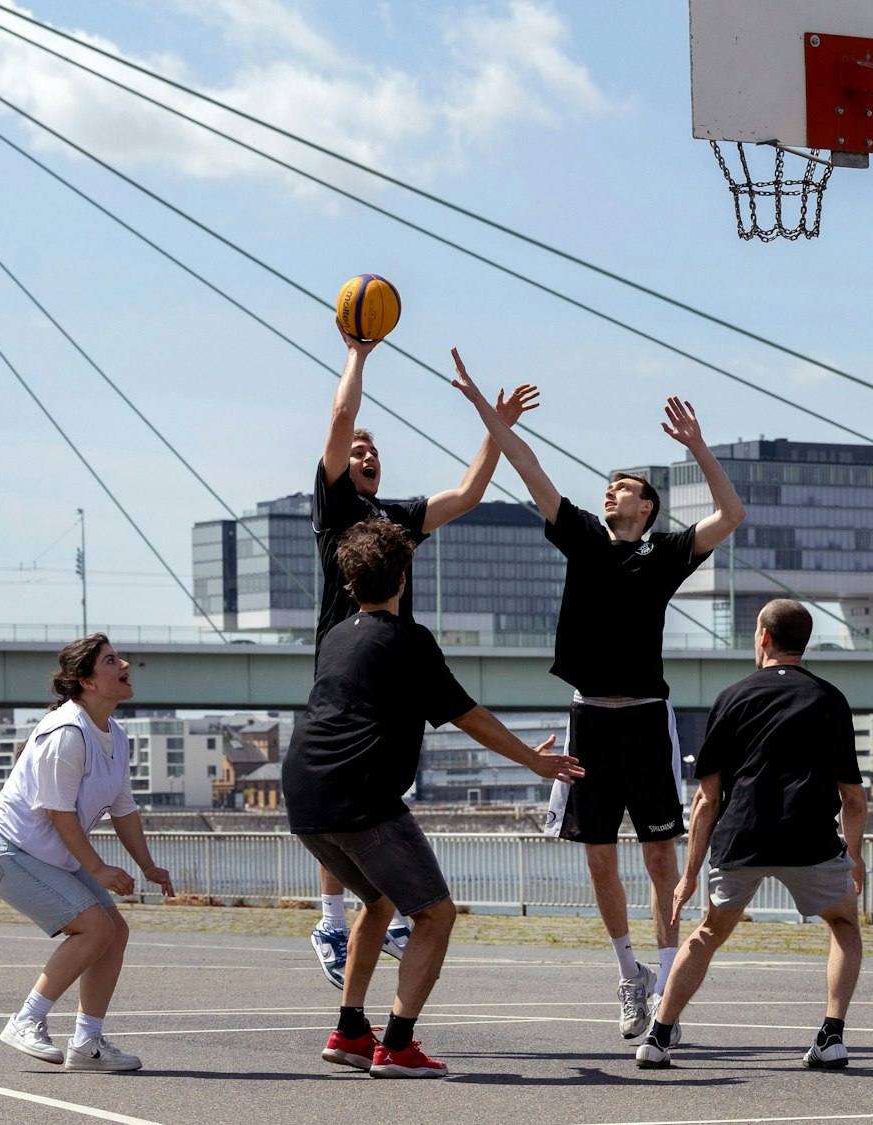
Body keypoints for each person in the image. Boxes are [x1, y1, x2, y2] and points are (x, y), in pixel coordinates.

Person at [450, 349, 745, 1039]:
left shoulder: (667, 552)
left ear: (647, 504)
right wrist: (488, 412)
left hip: (645, 716)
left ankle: (669, 980)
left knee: (659, 854)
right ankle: (628, 974)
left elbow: (731, 512)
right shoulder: (583, 538)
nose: (612, 491)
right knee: (599, 857)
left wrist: (697, 446)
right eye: (608, 485)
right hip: (590, 716)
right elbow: (528, 467)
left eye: (625, 486)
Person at [284, 520, 585, 1078]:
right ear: (403, 577)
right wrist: (535, 761)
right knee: (436, 915)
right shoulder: (408, 640)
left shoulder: (335, 637)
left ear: (350, 584)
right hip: (362, 798)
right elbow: (465, 714)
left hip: (305, 797)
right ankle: (397, 1046)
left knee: (377, 903)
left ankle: (350, 1031)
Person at [307, 333, 539, 990]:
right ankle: (329, 918)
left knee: (378, 790)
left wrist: (498, 428)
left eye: (374, 450)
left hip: (393, 670)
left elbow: (466, 493)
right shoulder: (335, 507)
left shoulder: (400, 514)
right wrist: (358, 353)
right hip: (345, 664)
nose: (367, 453)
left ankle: (376, 911)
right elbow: (340, 419)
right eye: (357, 451)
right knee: (345, 789)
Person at [635, 600, 867, 1070]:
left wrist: (689, 875)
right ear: (803, 642)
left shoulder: (732, 697)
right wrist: (855, 856)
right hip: (810, 840)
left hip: (742, 838)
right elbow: (853, 798)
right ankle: (831, 1036)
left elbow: (707, 799)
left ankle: (657, 1038)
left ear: (763, 637)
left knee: (706, 934)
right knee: (843, 925)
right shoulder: (830, 699)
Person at [0, 634, 174, 1072]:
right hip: (11, 854)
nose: (125, 664)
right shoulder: (67, 733)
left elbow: (124, 809)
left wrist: (148, 866)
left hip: (50, 858)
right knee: (93, 928)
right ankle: (26, 1019)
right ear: (87, 681)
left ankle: (87, 1044)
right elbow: (58, 813)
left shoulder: (115, 735)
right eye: (111, 660)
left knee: (114, 932)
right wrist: (100, 868)